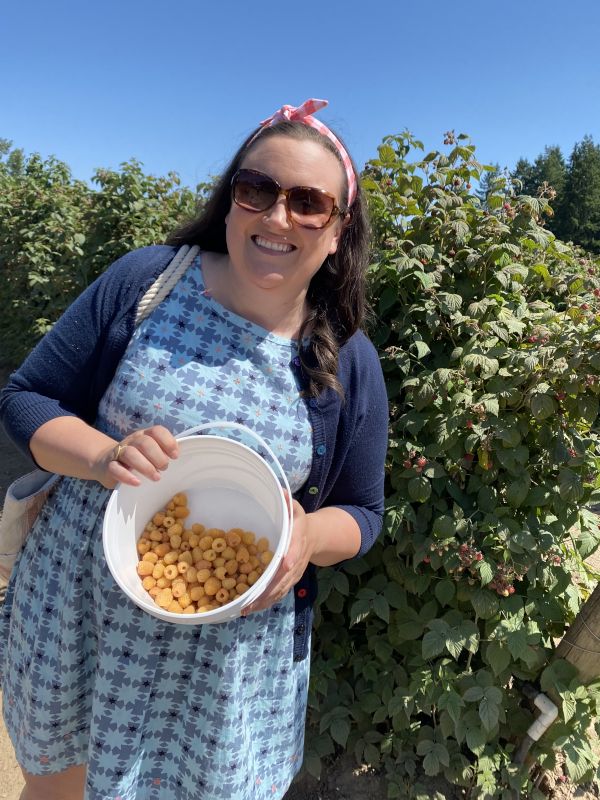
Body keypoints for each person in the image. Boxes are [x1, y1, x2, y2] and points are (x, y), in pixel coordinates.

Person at [0, 98, 388, 800]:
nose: (276, 218)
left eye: (308, 203)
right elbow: (26, 399)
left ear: (338, 232)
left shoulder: (347, 361)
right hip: (80, 607)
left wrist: (304, 536)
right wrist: (101, 456)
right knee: (57, 787)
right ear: (230, 199)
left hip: (223, 659)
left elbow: (361, 513)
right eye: (257, 189)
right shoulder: (148, 282)